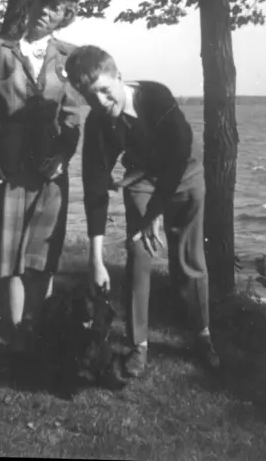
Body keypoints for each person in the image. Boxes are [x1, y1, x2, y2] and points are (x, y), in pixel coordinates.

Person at [64, 44, 221, 377]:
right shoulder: (98, 123)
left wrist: (155, 214)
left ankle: (202, 334)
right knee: (139, 251)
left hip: (185, 171)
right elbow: (94, 189)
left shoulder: (156, 97)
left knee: (189, 256)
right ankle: (139, 345)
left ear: (119, 77)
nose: (100, 102)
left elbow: (177, 155)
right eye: (91, 97)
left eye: (105, 91)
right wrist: (96, 260)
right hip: (142, 177)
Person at [0, 0, 83, 354]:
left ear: (64, 16)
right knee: (11, 257)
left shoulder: (68, 57)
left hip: (49, 173)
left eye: (55, 8)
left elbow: (72, 118)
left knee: (42, 258)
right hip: (8, 167)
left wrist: (63, 156)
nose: (45, 12)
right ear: (28, 4)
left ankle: (40, 329)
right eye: (41, 4)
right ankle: (17, 335)